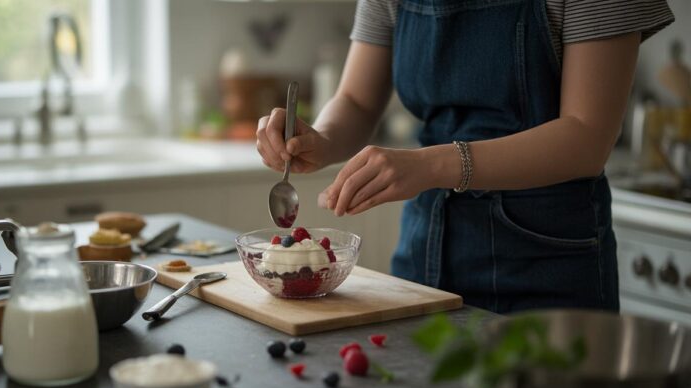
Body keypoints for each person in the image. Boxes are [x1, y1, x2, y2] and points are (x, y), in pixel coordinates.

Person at [256, 0, 675, 313]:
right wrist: (322, 138)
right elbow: (356, 100)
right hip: (423, 256)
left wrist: (431, 165)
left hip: (547, 265)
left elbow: (588, 138)